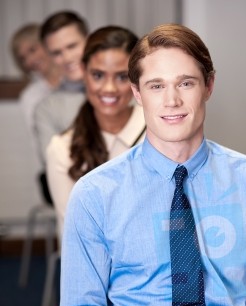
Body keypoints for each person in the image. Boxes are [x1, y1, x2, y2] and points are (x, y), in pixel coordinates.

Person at [59, 23, 246, 306]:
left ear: (209, 86)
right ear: (137, 93)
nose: (171, 101)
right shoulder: (96, 193)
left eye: (185, 83)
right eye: (156, 86)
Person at [46, 26, 145, 236]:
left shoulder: (161, 131)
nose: (109, 88)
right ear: (83, 71)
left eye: (121, 77)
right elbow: (75, 236)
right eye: (98, 75)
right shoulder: (62, 148)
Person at [11, 23, 61, 203]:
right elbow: (39, 145)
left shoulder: (78, 79)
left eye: (33, 49)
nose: (30, 60)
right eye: (23, 58)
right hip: (55, 168)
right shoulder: (30, 96)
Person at [34, 11, 89, 168]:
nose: (67, 58)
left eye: (72, 46)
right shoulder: (47, 108)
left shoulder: (125, 89)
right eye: (57, 53)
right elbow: (53, 165)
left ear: (89, 40)